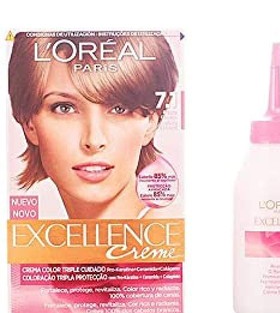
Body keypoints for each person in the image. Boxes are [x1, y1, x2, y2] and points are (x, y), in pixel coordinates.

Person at [8, 33, 179, 219]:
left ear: (151, 123)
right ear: (29, 122)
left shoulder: (169, 227)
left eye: (119, 109)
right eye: (65, 108)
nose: (94, 140)